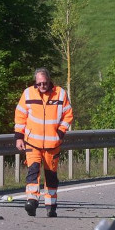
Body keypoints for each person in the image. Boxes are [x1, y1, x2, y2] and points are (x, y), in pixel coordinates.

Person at [14, 68, 74, 218]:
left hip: (53, 145)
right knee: (33, 172)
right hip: (32, 142)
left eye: (45, 83)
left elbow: (68, 115)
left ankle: (51, 205)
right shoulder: (28, 93)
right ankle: (32, 201)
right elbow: (20, 116)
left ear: (49, 81)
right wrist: (19, 137)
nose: (42, 86)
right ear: (35, 82)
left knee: (51, 176)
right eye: (39, 83)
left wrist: (60, 132)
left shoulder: (60, 93)